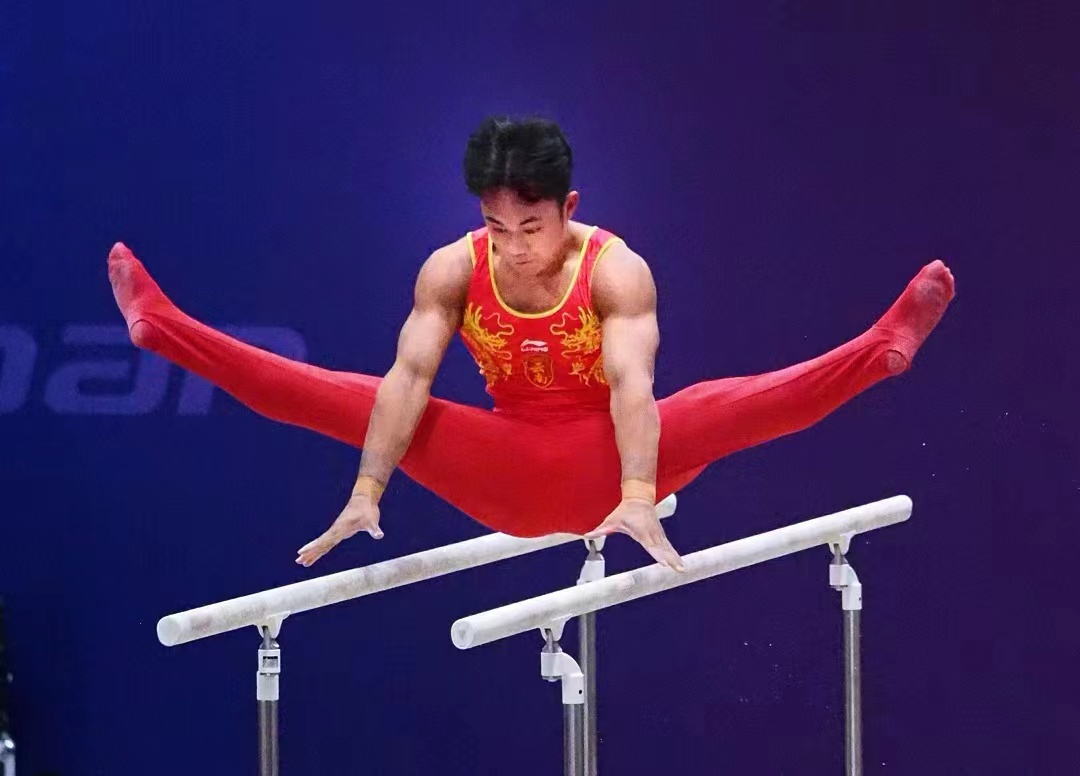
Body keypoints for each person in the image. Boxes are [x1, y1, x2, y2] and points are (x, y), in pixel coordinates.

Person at [107, 116, 955, 573]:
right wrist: (369, 489)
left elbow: (631, 390)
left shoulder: (617, 271)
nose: (513, 246)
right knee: (351, 396)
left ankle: (877, 349)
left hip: (612, 464)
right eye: (496, 226)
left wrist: (636, 493)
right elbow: (410, 376)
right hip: (502, 471)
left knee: (712, 408)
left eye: (532, 225)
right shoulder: (452, 268)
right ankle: (167, 331)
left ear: (569, 206)